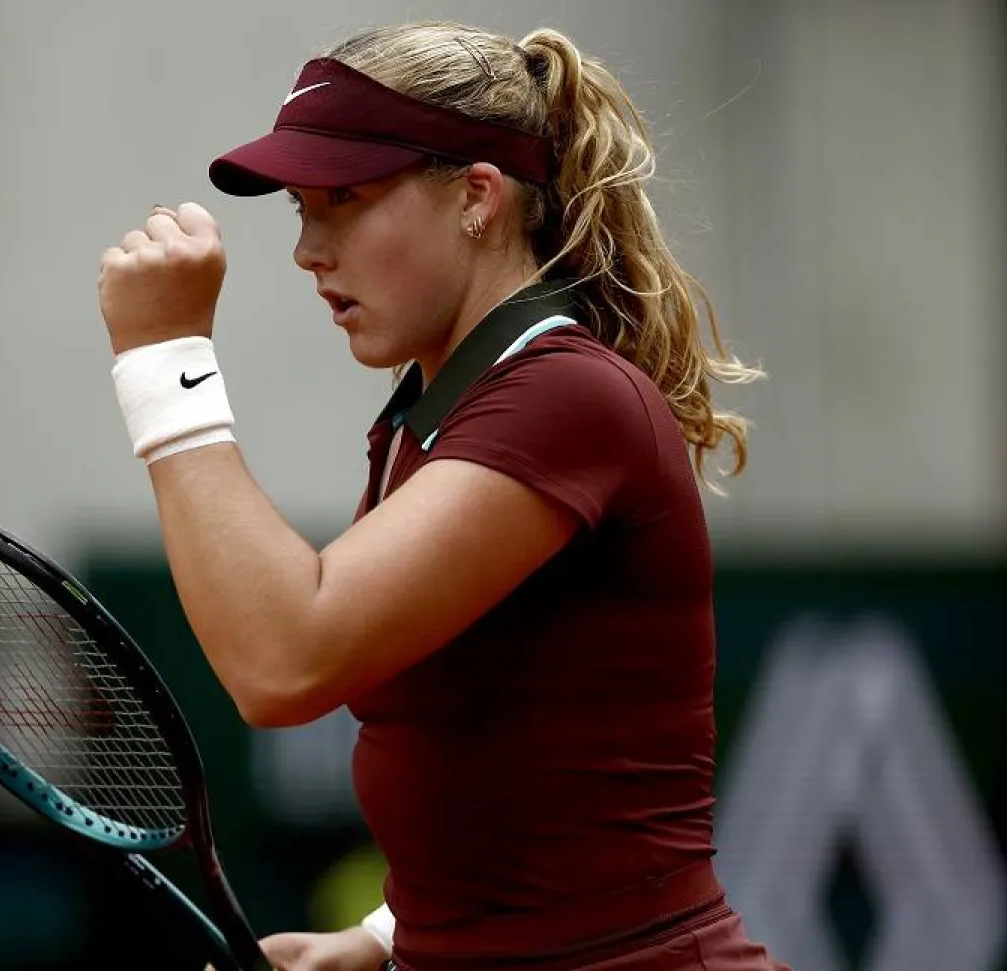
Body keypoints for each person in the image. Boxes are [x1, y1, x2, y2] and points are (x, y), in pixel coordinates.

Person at [97, 19, 789, 971]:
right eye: (302, 208)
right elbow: (509, 758)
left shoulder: (565, 395)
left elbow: (284, 661)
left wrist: (165, 359)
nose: (308, 249)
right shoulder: (431, 411)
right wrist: (386, 937)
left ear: (476, 197)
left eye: (345, 199)